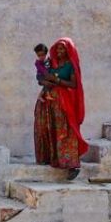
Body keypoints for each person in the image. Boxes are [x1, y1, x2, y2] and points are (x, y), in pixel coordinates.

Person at [33, 37, 89, 180]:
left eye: (62, 48)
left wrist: (57, 80)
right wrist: (45, 81)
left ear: (68, 50)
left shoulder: (71, 65)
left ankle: (71, 165)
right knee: (45, 128)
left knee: (65, 130)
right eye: (58, 48)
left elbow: (73, 84)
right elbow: (39, 77)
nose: (59, 51)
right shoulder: (50, 62)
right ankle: (50, 158)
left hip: (63, 102)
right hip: (46, 100)